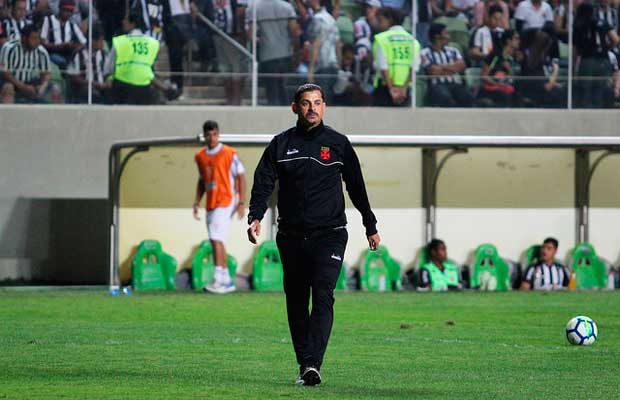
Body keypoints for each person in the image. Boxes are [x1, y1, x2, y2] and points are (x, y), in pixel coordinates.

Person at [247, 83, 380, 386]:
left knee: (323, 295)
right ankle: (304, 363)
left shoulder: (338, 144)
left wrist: (369, 225)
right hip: (291, 236)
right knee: (296, 301)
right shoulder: (280, 145)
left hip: (330, 234)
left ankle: (312, 364)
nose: (312, 109)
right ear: (295, 108)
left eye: (317, 103)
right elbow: (263, 182)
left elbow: (357, 186)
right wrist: (256, 215)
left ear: (325, 106)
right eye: (306, 103)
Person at [193, 120, 246, 294]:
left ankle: (218, 278)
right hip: (211, 202)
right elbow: (202, 180)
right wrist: (196, 201)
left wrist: (241, 202)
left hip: (226, 200)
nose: (212, 138)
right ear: (204, 136)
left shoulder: (229, 153)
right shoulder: (200, 156)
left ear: (218, 134)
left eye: (214, 134)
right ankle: (226, 280)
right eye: (208, 135)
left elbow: (241, 176)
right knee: (217, 239)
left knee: (216, 239)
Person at [246, 0, 300, 106]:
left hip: (267, 54)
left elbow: (250, 35)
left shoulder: (256, 8)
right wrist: (296, 51)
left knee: (271, 90)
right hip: (285, 53)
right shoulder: (287, 7)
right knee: (284, 87)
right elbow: (294, 32)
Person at [104, 12, 161, 104]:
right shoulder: (152, 43)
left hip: (123, 86)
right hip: (144, 86)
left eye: (126, 20)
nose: (123, 22)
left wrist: (109, 78)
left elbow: (109, 67)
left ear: (132, 24)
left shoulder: (120, 41)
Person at [0, 23, 63, 103]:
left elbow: (46, 74)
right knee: (8, 88)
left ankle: (57, 115)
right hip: (10, 81)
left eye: (38, 38)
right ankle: (8, 115)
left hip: (30, 81)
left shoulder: (41, 51)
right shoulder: (9, 48)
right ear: (24, 38)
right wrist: (23, 87)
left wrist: (42, 87)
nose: (37, 41)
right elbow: (6, 73)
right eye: (34, 38)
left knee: (55, 89)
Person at [574, 2, 620, 108]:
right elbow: (616, 39)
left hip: (587, 60)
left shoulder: (578, 25)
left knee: (585, 91)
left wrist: (574, 66)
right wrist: (608, 47)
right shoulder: (602, 22)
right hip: (603, 61)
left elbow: (575, 49)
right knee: (598, 91)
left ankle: (586, 116)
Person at [371, 7, 420, 107]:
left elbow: (383, 67)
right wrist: (404, 88)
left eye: (381, 20)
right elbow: (414, 67)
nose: (379, 24)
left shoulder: (382, 39)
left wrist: (391, 89)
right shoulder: (412, 40)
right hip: (404, 90)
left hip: (385, 88)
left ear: (389, 19)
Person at [420, 22, 473, 107]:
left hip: (455, 84)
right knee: (445, 97)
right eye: (446, 33)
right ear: (437, 36)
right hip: (437, 86)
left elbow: (461, 66)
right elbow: (433, 71)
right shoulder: (424, 53)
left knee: (468, 96)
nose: (449, 36)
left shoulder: (453, 51)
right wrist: (452, 68)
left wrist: (441, 67)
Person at [66, 24, 110, 103]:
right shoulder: (78, 54)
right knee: (92, 93)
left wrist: (108, 81)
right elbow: (73, 77)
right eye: (101, 40)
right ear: (93, 41)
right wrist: (93, 83)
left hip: (102, 87)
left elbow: (108, 73)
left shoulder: (104, 55)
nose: (103, 44)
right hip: (85, 88)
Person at [520, 30, 565, 107]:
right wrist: (556, 70)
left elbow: (546, 80)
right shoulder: (535, 63)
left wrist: (554, 83)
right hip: (538, 95)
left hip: (538, 90)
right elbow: (547, 86)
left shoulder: (537, 59)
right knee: (560, 93)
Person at [307, 0, 341, 102]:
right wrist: (340, 65)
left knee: (320, 101)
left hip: (322, 66)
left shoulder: (318, 19)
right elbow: (338, 44)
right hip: (333, 65)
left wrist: (311, 70)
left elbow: (317, 43)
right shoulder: (331, 19)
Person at [478, 29, 520, 107]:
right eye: (516, 38)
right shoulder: (495, 55)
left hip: (504, 87)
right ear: (509, 41)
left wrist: (509, 69)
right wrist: (497, 84)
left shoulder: (510, 58)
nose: (519, 41)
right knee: (506, 98)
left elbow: (510, 78)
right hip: (490, 89)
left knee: (518, 96)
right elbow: (483, 75)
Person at [40, 0, 86, 69]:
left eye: (71, 11)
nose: (68, 14)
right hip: (52, 53)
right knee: (63, 62)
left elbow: (83, 43)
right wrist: (59, 46)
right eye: (66, 10)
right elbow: (42, 43)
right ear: (60, 8)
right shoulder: (48, 20)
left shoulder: (72, 25)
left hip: (69, 54)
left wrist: (74, 46)